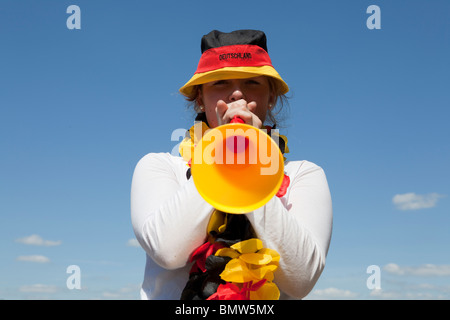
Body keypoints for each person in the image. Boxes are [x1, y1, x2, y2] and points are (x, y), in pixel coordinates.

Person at [130, 29, 333, 300]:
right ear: (200, 98)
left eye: (252, 83)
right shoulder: (159, 167)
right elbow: (168, 250)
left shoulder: (303, 175)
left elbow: (302, 278)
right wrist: (222, 156)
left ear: (271, 96)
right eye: (220, 83)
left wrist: (252, 162)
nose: (237, 93)